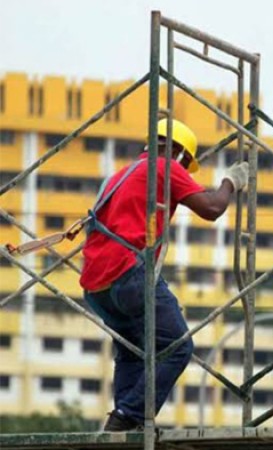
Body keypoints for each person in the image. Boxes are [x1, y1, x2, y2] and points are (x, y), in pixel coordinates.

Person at [80, 119, 249, 431]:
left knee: (135, 353)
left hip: (96, 285)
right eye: (185, 163)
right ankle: (130, 415)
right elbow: (211, 208)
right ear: (177, 152)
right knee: (177, 346)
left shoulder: (119, 175)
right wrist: (230, 183)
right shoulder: (164, 167)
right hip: (127, 272)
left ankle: (124, 423)